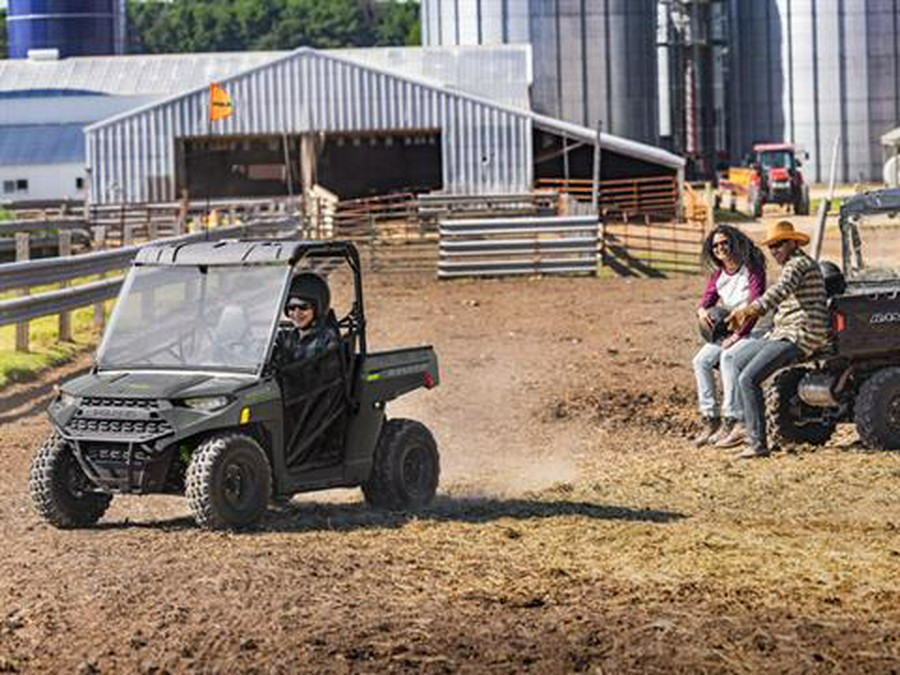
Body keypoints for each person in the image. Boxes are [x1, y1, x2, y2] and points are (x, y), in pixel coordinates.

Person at [726, 220, 831, 459]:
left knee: (748, 379)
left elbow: (779, 291)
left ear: (793, 243)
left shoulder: (799, 264)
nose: (774, 251)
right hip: (784, 332)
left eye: (779, 245)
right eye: (771, 246)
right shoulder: (794, 264)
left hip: (799, 334)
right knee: (734, 358)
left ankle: (757, 443)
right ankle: (745, 424)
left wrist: (748, 311)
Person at [693, 225, 767, 447]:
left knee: (728, 357)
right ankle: (710, 419)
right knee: (701, 361)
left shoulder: (752, 270)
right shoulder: (719, 275)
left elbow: (756, 307)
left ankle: (733, 419)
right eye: (715, 245)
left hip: (756, 329)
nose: (720, 248)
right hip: (733, 332)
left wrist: (738, 336)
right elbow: (706, 300)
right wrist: (701, 310)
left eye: (724, 242)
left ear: (734, 242)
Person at [274, 272, 340, 367]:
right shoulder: (287, 337)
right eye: (292, 307)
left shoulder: (326, 340)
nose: (297, 314)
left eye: (303, 307)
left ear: (317, 309)